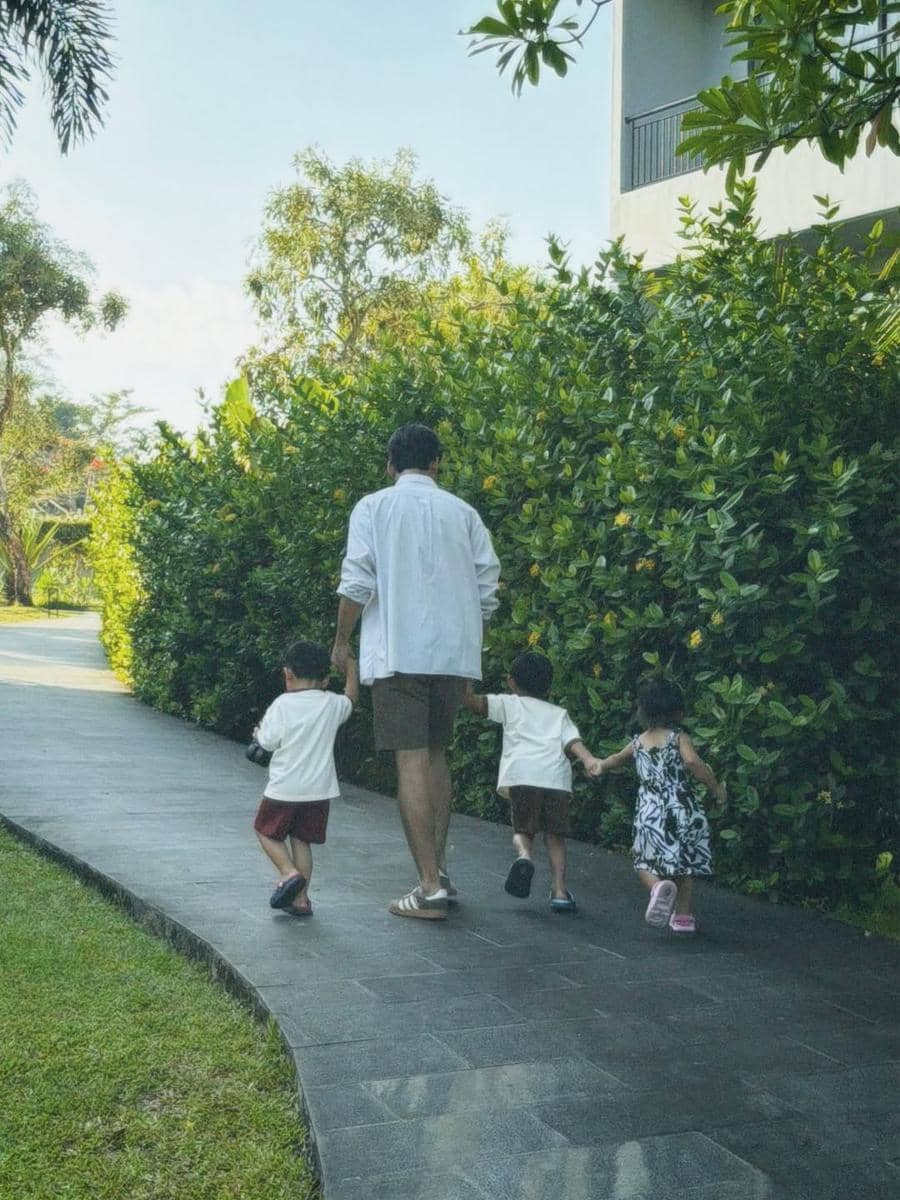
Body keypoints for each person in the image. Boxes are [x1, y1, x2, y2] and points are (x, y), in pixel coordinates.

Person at [332, 423, 500, 920]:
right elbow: (487, 583)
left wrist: (342, 640)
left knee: (410, 762)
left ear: (390, 464)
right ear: (437, 463)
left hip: (399, 652)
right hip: (452, 655)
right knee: (436, 756)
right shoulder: (464, 513)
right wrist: (469, 634)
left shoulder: (373, 507)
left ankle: (428, 888)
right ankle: (439, 870)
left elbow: (358, 579)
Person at [463, 651, 603, 912]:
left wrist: (466, 674)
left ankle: (524, 856)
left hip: (523, 776)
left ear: (511, 682)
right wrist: (589, 760)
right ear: (549, 685)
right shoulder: (559, 713)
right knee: (556, 836)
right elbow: (573, 742)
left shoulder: (508, 704)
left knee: (523, 830)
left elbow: (472, 702)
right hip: (555, 779)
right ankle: (560, 891)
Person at [596, 675, 724, 933]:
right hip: (681, 809)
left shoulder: (638, 742)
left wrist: (599, 765)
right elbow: (692, 762)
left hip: (650, 811)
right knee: (683, 863)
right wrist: (716, 788)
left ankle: (657, 887)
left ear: (642, 710)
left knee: (643, 859)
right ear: (677, 710)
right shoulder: (678, 737)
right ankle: (684, 918)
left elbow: (616, 759)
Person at [252, 640, 359, 917]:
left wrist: (258, 735)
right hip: (319, 791)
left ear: (287, 674)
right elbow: (350, 698)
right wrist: (351, 669)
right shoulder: (332, 704)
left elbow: (268, 742)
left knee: (265, 831)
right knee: (301, 840)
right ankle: (301, 900)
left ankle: (288, 874)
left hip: (284, 788)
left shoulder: (282, 705)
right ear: (325, 679)